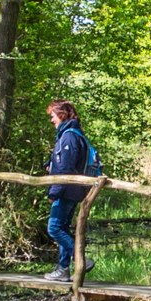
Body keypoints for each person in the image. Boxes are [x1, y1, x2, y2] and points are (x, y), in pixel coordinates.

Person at [43, 100, 95, 282]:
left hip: (67, 191)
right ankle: (63, 269)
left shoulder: (70, 136)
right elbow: (62, 162)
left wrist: (54, 192)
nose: (52, 120)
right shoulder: (67, 135)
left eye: (53, 116)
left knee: (54, 228)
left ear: (62, 115)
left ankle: (81, 259)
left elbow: (66, 168)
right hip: (69, 190)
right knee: (62, 228)